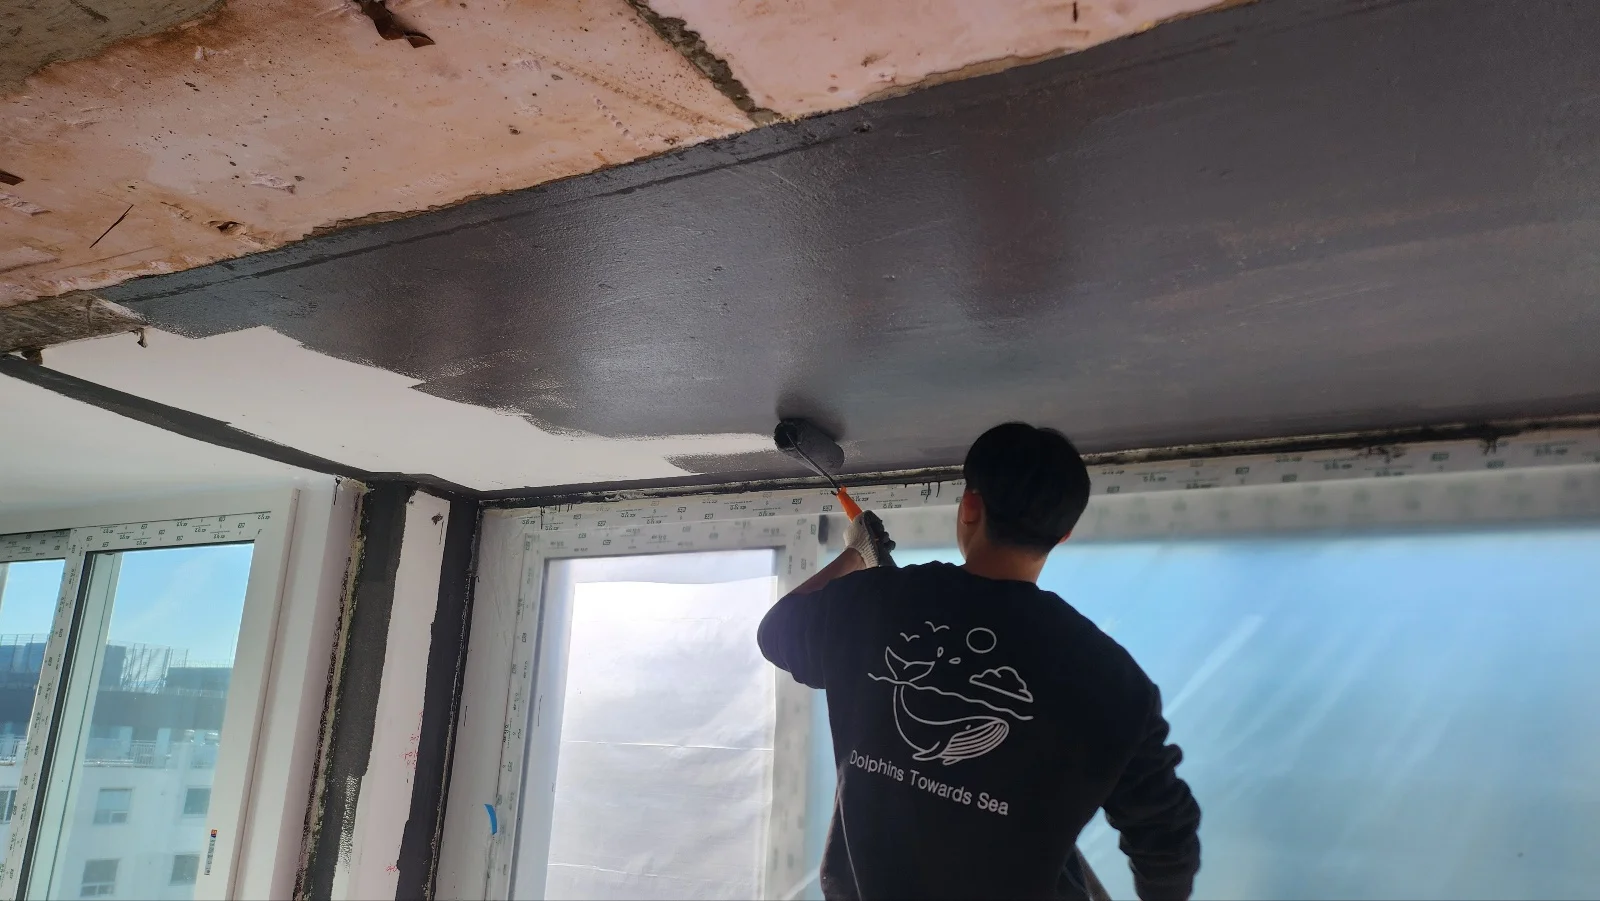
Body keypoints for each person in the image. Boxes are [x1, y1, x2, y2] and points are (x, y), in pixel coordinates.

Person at [757, 422, 1201, 901]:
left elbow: (777, 632)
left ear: (970, 506)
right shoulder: (1114, 682)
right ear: (1064, 534)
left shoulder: (871, 602)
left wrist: (856, 555)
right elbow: (1167, 845)